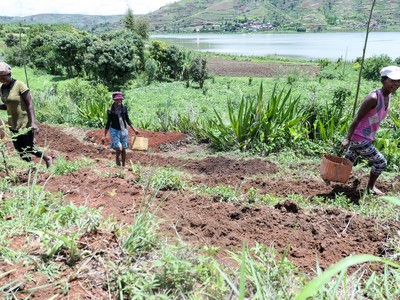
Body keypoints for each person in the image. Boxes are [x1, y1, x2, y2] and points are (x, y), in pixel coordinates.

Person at [341, 65, 400, 195]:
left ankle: (332, 177)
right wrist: (347, 138)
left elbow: (374, 120)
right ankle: (370, 187)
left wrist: (370, 137)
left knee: (348, 162)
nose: (396, 84)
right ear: (383, 80)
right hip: (359, 137)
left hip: (365, 137)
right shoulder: (374, 98)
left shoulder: (388, 96)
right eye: (392, 80)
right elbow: (357, 118)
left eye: (398, 81)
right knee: (381, 162)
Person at [0, 62, 52, 168]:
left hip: (25, 122)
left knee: (29, 148)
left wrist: (33, 122)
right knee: (19, 150)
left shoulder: (20, 85)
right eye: (0, 78)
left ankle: (47, 158)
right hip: (13, 124)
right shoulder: (2, 88)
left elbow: (30, 104)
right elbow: (7, 106)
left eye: (3, 77)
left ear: (9, 75)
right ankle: (31, 167)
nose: (2, 80)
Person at [101, 91, 139, 167]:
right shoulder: (110, 110)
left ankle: (124, 165)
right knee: (119, 148)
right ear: (114, 100)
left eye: (120, 100)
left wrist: (134, 129)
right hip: (114, 130)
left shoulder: (124, 108)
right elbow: (108, 122)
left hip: (124, 130)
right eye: (117, 100)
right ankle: (117, 158)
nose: (119, 101)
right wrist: (104, 135)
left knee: (124, 149)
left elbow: (127, 120)